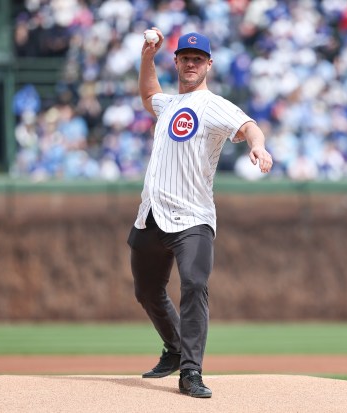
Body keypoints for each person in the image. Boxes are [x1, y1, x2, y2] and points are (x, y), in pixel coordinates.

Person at [126, 28, 273, 398]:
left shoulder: (215, 105)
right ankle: (174, 348)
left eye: (197, 59)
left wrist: (258, 147)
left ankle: (190, 371)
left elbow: (249, 126)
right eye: (185, 58)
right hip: (152, 214)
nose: (190, 63)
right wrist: (147, 55)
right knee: (146, 291)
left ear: (208, 64)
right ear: (175, 62)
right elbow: (148, 94)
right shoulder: (168, 105)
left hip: (194, 219)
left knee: (194, 285)